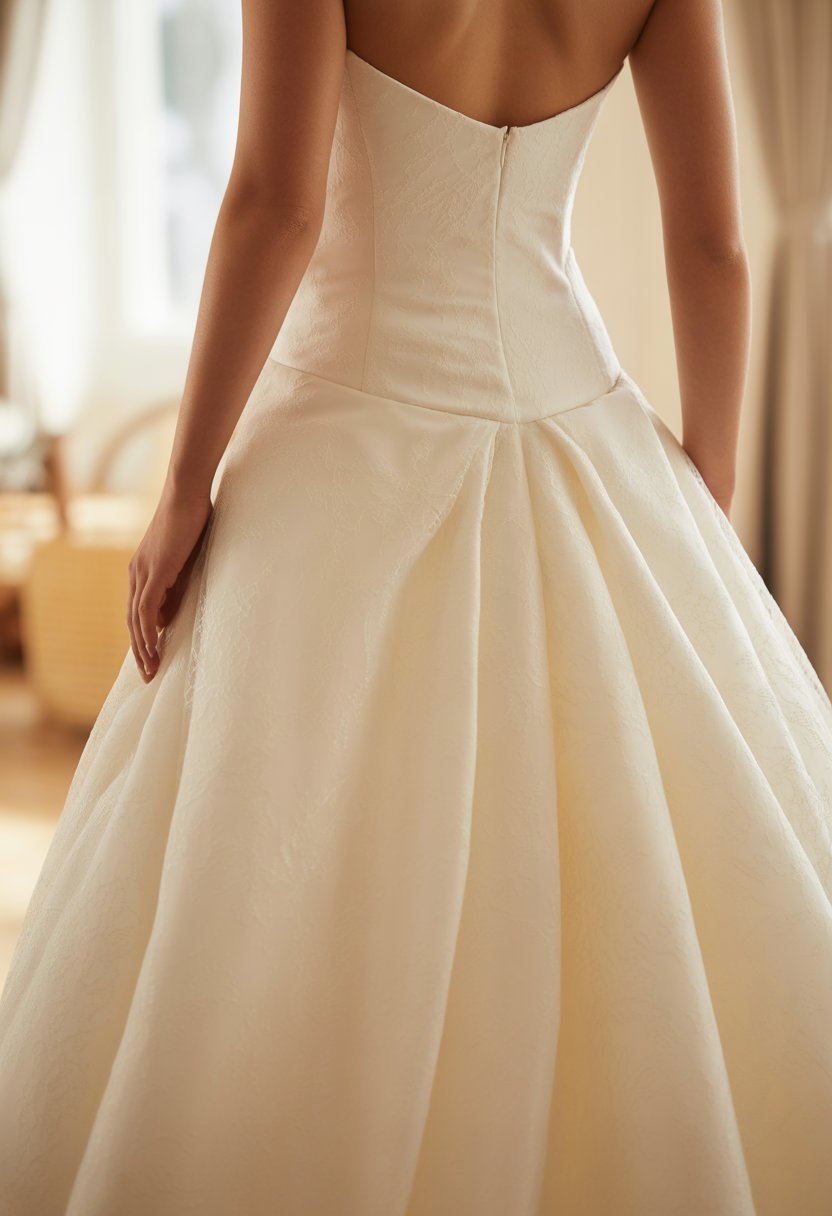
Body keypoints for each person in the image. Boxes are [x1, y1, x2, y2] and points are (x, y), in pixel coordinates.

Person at [1, 0, 831, 1212]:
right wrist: (698, 486)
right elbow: (711, 242)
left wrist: (182, 484)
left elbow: (274, 206)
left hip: (343, 425)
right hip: (579, 416)